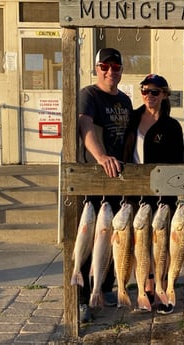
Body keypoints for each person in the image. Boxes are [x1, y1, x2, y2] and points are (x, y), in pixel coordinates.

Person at [77, 47, 133, 323]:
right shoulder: (89, 95)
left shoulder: (125, 100)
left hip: (120, 179)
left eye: (116, 67)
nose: (110, 71)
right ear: (97, 68)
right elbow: (85, 126)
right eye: (105, 66)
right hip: (94, 177)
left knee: (115, 239)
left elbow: (129, 137)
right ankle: (81, 298)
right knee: (89, 241)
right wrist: (100, 157)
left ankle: (106, 288)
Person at [123, 73, 184, 315]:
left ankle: (163, 288)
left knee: (162, 244)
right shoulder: (132, 118)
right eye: (145, 91)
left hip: (163, 195)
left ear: (164, 95)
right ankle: (145, 287)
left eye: (155, 92)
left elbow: (178, 162)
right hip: (135, 191)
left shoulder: (172, 125)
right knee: (141, 244)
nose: (149, 96)